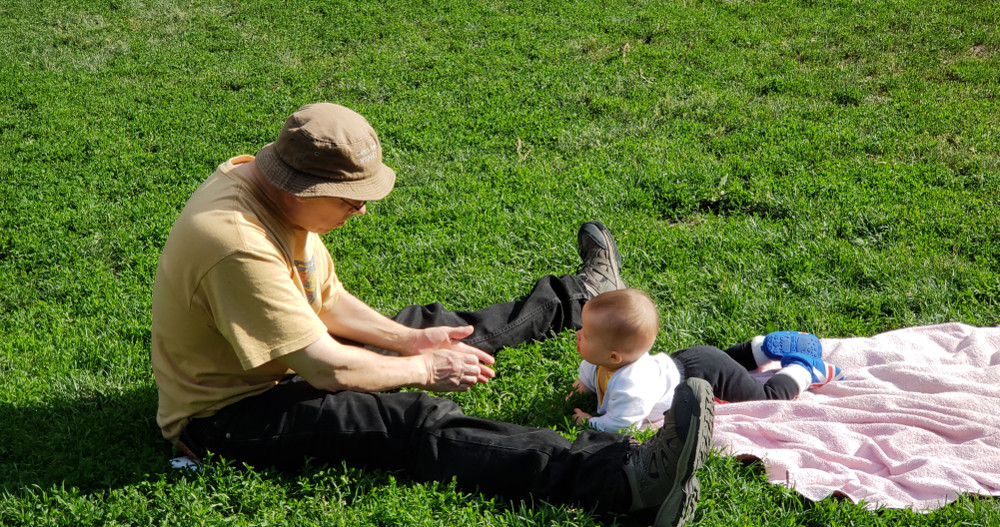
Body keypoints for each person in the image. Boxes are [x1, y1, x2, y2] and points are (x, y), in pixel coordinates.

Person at [151, 102, 715, 527]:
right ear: (302, 185)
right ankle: (626, 480)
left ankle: (583, 295)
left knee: (435, 325)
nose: (362, 211)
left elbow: (326, 300)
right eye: (351, 200)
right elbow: (329, 371)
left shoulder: (267, 189)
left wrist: (411, 341)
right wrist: (424, 369)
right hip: (233, 413)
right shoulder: (235, 243)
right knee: (416, 422)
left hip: (288, 359)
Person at [568, 288, 844, 432]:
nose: (578, 336)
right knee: (725, 361)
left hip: (702, 378)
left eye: (587, 335)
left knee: (765, 398)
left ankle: (804, 370)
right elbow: (589, 375)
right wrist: (583, 387)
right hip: (690, 359)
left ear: (615, 356)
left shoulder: (631, 386)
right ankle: (761, 350)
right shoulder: (600, 359)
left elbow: (622, 424)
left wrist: (590, 422)